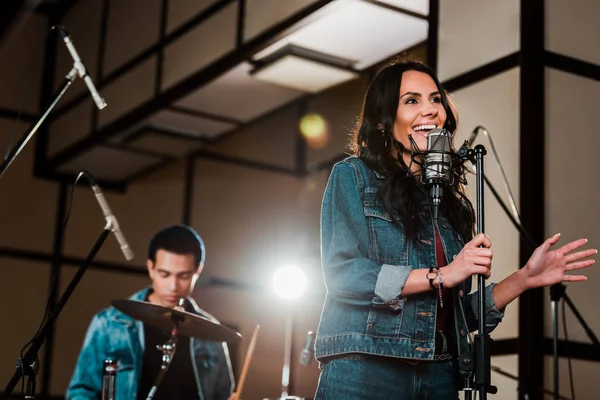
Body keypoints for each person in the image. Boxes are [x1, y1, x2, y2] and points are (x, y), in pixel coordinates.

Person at [312, 59, 597, 400]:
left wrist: (524, 279)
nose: (430, 110)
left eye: (436, 99)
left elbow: (456, 316)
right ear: (384, 120)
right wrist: (440, 275)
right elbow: (343, 274)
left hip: (440, 371)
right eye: (411, 100)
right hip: (369, 365)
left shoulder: (450, 205)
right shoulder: (353, 176)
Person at [67, 224, 236, 400]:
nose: (173, 286)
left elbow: (224, 395)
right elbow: (81, 392)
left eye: (184, 276)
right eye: (165, 274)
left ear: (197, 271)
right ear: (151, 268)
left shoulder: (212, 333)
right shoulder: (109, 323)